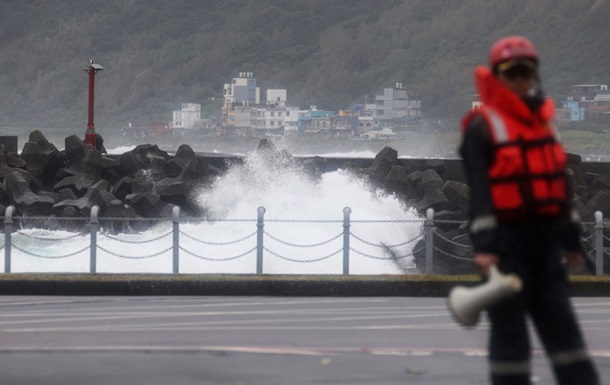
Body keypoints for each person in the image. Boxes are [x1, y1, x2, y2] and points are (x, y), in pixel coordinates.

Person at [459, 36, 599, 385]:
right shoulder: (483, 127)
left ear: (535, 75)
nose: (521, 79)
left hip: (546, 248)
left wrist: (571, 241)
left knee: (565, 336)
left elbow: (557, 186)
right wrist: (486, 248)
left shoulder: (544, 122)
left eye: (527, 72)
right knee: (510, 343)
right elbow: (481, 192)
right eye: (512, 72)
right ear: (498, 76)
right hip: (507, 250)